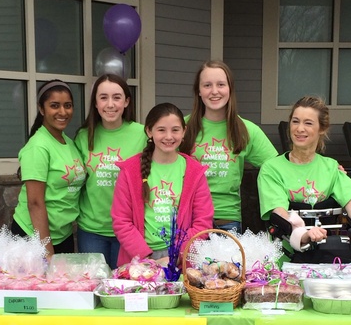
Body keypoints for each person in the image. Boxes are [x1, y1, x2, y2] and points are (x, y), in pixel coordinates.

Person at [257, 95, 351, 263]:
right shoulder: (271, 168)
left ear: (322, 128)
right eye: (295, 121)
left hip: (326, 259)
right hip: (285, 258)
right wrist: (303, 234)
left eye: (308, 123)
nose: (299, 129)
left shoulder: (331, 167)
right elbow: (279, 213)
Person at [111, 103, 214, 268]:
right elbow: (121, 220)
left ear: (184, 131)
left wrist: (176, 255)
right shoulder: (130, 170)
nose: (168, 136)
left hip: (182, 259)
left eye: (175, 130)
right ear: (149, 131)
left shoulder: (195, 171)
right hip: (140, 259)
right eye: (161, 130)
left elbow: (203, 222)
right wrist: (147, 257)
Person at [180, 60, 277, 232]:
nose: (214, 91)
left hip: (228, 221)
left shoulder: (246, 130)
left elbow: (279, 168)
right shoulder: (182, 127)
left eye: (221, 85)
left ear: (230, 89)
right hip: (189, 219)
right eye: (207, 85)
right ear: (199, 91)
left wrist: (327, 170)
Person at [74, 74, 147, 267]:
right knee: (94, 288)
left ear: (126, 102)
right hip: (91, 229)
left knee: (123, 289)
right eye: (103, 97)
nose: (110, 104)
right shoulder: (83, 136)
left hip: (129, 230)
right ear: (96, 103)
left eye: (117, 97)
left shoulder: (142, 133)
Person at [11, 80, 85, 256]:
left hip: (62, 235)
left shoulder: (69, 142)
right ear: (42, 109)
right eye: (54, 106)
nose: (62, 112)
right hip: (33, 238)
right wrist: (47, 251)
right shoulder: (38, 147)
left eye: (68, 106)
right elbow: (35, 203)